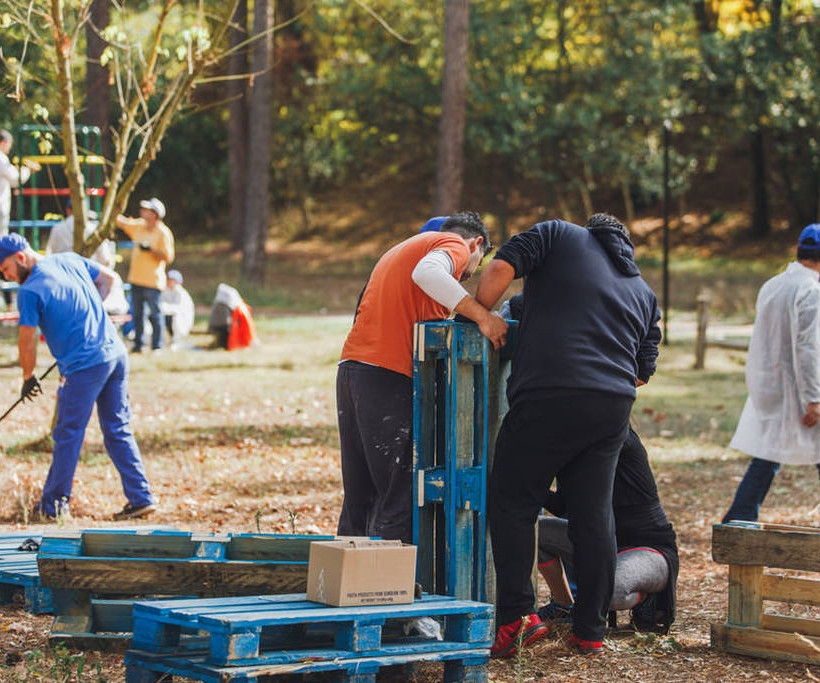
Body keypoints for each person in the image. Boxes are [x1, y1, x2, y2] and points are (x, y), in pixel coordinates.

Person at [475, 213, 661, 657]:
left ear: (591, 231)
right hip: (612, 407)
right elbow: (642, 373)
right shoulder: (643, 292)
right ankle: (591, 630)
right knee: (593, 516)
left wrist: (478, 313)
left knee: (513, 501)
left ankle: (516, 618)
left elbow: (500, 267)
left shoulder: (558, 234)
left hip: (549, 392)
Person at [336, 211, 508, 545]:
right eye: (470, 272)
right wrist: (482, 317)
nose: (464, 278)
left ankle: (346, 583)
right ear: (477, 244)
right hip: (387, 374)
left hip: (353, 370)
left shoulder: (403, 249)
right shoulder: (452, 244)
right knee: (398, 492)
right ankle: (384, 590)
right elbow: (428, 273)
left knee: (361, 494)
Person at [0, 233, 157, 521]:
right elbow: (109, 279)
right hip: (115, 355)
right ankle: (141, 498)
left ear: (20, 257)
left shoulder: (30, 290)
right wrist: (87, 314)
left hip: (85, 366)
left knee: (68, 434)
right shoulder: (70, 260)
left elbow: (26, 339)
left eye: (5, 268)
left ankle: (53, 506)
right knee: (117, 429)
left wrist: (27, 376)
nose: (6, 275)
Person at [537, 428, 679, 635]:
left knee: (604, 592)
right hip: (600, 542)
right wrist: (526, 487)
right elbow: (565, 506)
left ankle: (649, 599)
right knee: (535, 531)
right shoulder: (571, 442)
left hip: (648, 548)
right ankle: (564, 606)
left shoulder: (618, 437)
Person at [722, 223, 820, 523]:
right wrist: (814, 398)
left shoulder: (773, 285)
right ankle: (739, 518)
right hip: (800, 391)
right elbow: (809, 348)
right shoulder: (812, 291)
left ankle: (739, 518)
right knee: (769, 457)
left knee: (767, 457)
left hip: (772, 387)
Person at [116, 197, 175, 353]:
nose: (143, 212)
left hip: (153, 281)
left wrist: (151, 250)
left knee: (155, 315)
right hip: (136, 278)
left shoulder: (163, 233)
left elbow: (168, 257)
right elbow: (121, 222)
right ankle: (139, 345)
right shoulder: (139, 226)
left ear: (155, 214)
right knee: (138, 315)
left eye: (147, 210)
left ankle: (157, 345)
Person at [0, 129, 40, 308]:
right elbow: (15, 179)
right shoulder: (1, 158)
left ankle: (7, 299)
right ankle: (7, 298)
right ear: (4, 143)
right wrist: (27, 170)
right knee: (4, 251)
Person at [160, 269, 195, 349]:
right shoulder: (165, 290)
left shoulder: (181, 293)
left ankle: (177, 341)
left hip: (182, 320)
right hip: (169, 318)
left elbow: (177, 309)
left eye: (171, 280)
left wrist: (164, 307)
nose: (169, 282)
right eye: (168, 279)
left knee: (175, 317)